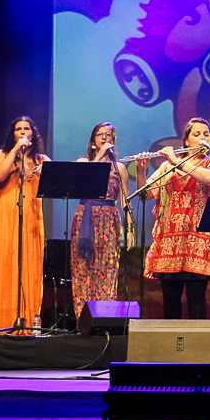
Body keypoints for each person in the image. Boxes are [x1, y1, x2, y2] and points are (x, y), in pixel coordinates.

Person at [136, 117, 210, 319]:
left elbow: (209, 178)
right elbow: (146, 195)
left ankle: (197, 340)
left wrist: (177, 162)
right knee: (170, 299)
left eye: (206, 134)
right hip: (169, 242)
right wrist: (141, 170)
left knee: (196, 297)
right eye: (197, 134)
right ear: (186, 141)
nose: (203, 138)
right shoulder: (166, 167)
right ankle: (173, 339)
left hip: (199, 241)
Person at [0, 116, 49, 332]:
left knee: (29, 269)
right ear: (13, 134)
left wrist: (45, 174)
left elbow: (56, 188)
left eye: (26, 128)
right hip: (3, 217)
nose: (22, 132)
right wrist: (15, 151)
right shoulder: (3, 154)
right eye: (18, 129)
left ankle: (27, 321)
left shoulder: (42, 160)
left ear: (33, 134)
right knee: (3, 266)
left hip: (31, 218)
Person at [70, 122, 128, 323]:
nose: (104, 137)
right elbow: (85, 181)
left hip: (109, 220)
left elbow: (125, 201)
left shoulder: (119, 168)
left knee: (107, 269)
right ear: (93, 141)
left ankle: (104, 319)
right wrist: (101, 155)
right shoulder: (83, 162)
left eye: (108, 135)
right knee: (82, 268)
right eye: (100, 134)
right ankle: (83, 320)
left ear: (113, 140)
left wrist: (129, 229)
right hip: (85, 218)